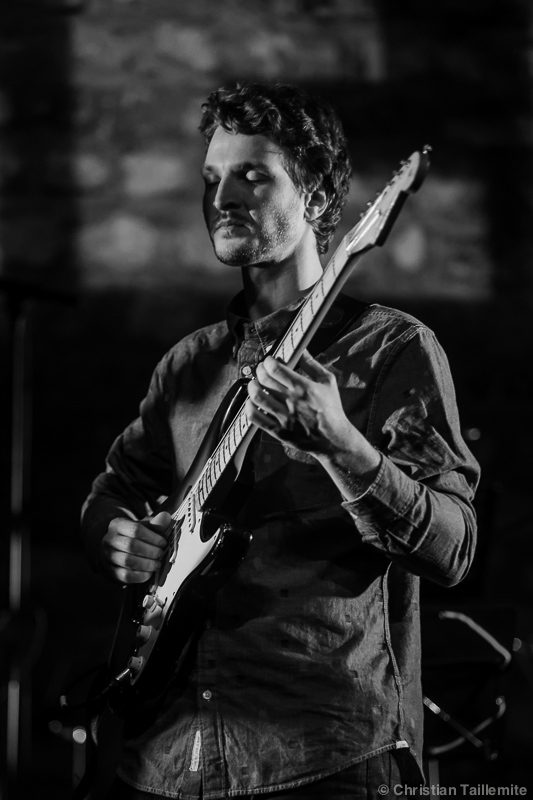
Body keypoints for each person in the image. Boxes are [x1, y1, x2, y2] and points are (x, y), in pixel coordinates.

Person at [81, 82, 480, 799]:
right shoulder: (187, 365)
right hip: (163, 760)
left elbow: (451, 548)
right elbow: (111, 490)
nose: (222, 196)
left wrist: (339, 445)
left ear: (321, 201)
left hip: (323, 756)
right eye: (212, 178)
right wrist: (116, 535)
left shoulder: (391, 348)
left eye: (252, 175)